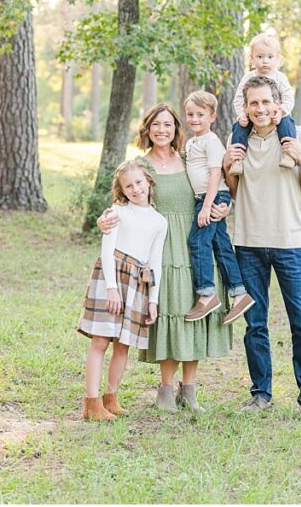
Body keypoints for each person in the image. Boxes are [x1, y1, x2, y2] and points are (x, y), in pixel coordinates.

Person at [99, 104, 233, 414]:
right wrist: (101, 222)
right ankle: (165, 389)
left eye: (168, 125)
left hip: (195, 246)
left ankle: (190, 389)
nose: (162, 130)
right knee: (170, 311)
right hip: (159, 249)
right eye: (156, 125)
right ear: (147, 130)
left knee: (194, 311)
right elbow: (120, 205)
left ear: (176, 130)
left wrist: (223, 207)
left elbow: (213, 188)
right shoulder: (140, 166)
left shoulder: (189, 159)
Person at [223, 75, 301, 421]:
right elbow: (234, 193)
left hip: (289, 243)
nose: (260, 109)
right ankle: (261, 394)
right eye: (254, 103)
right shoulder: (238, 140)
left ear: (277, 103)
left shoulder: (300, 136)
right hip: (248, 244)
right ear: (246, 107)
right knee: (255, 324)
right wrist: (227, 167)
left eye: (266, 102)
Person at [78, 160, 167, 421]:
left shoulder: (159, 222)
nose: (135, 189)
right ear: (122, 190)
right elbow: (107, 251)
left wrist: (153, 299)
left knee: (123, 344)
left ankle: (111, 397)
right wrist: (112, 288)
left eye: (139, 182)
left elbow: (156, 261)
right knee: (100, 340)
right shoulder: (117, 212)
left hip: (138, 282)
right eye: (128, 186)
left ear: (149, 181)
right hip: (113, 278)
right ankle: (91, 403)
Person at [183, 91, 254, 324]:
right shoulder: (192, 141)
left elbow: (216, 174)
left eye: (200, 115)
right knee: (221, 246)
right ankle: (239, 292)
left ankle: (207, 294)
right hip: (206, 197)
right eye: (190, 114)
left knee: (197, 241)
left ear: (212, 116)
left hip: (212, 196)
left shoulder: (212, 142)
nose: (194, 119)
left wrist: (206, 207)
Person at [229, 32, 297, 175]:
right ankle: (237, 160)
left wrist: (282, 111)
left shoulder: (280, 78)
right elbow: (239, 98)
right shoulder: (248, 77)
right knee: (239, 127)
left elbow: (289, 97)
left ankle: (288, 154)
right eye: (260, 57)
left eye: (270, 57)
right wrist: (242, 114)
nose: (265, 61)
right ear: (252, 59)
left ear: (277, 58)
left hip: (276, 114)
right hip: (253, 116)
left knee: (287, 122)